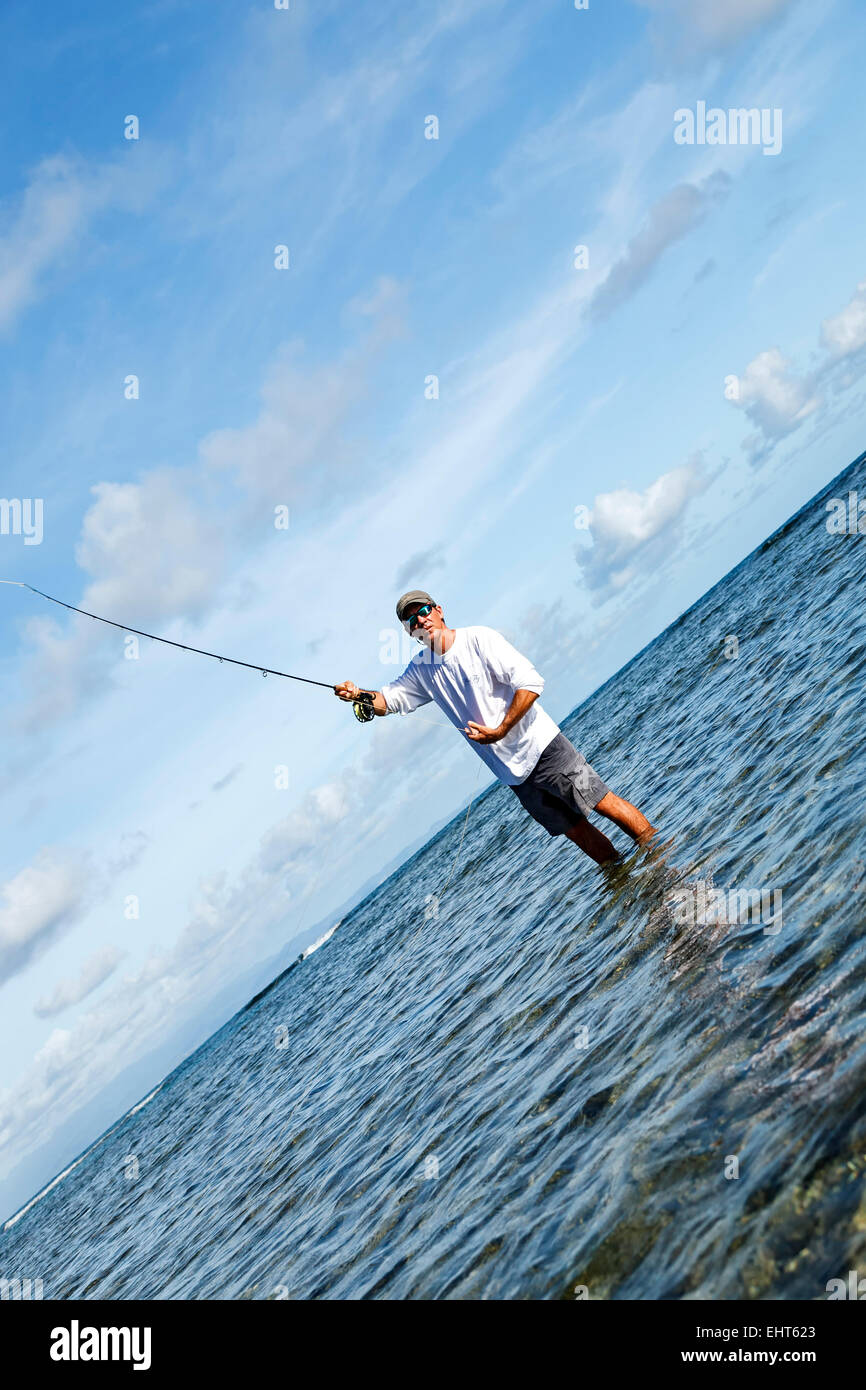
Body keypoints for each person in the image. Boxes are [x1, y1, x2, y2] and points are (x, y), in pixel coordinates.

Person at [335, 590, 656, 866]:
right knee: (577, 833)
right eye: (411, 621)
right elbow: (387, 700)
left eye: (422, 611)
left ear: (438, 610)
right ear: (409, 632)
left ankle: (662, 858)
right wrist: (357, 694)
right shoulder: (421, 670)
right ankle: (626, 884)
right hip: (514, 775)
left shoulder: (479, 639)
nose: (420, 620)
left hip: (545, 748)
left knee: (603, 802)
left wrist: (502, 729)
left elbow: (530, 683)